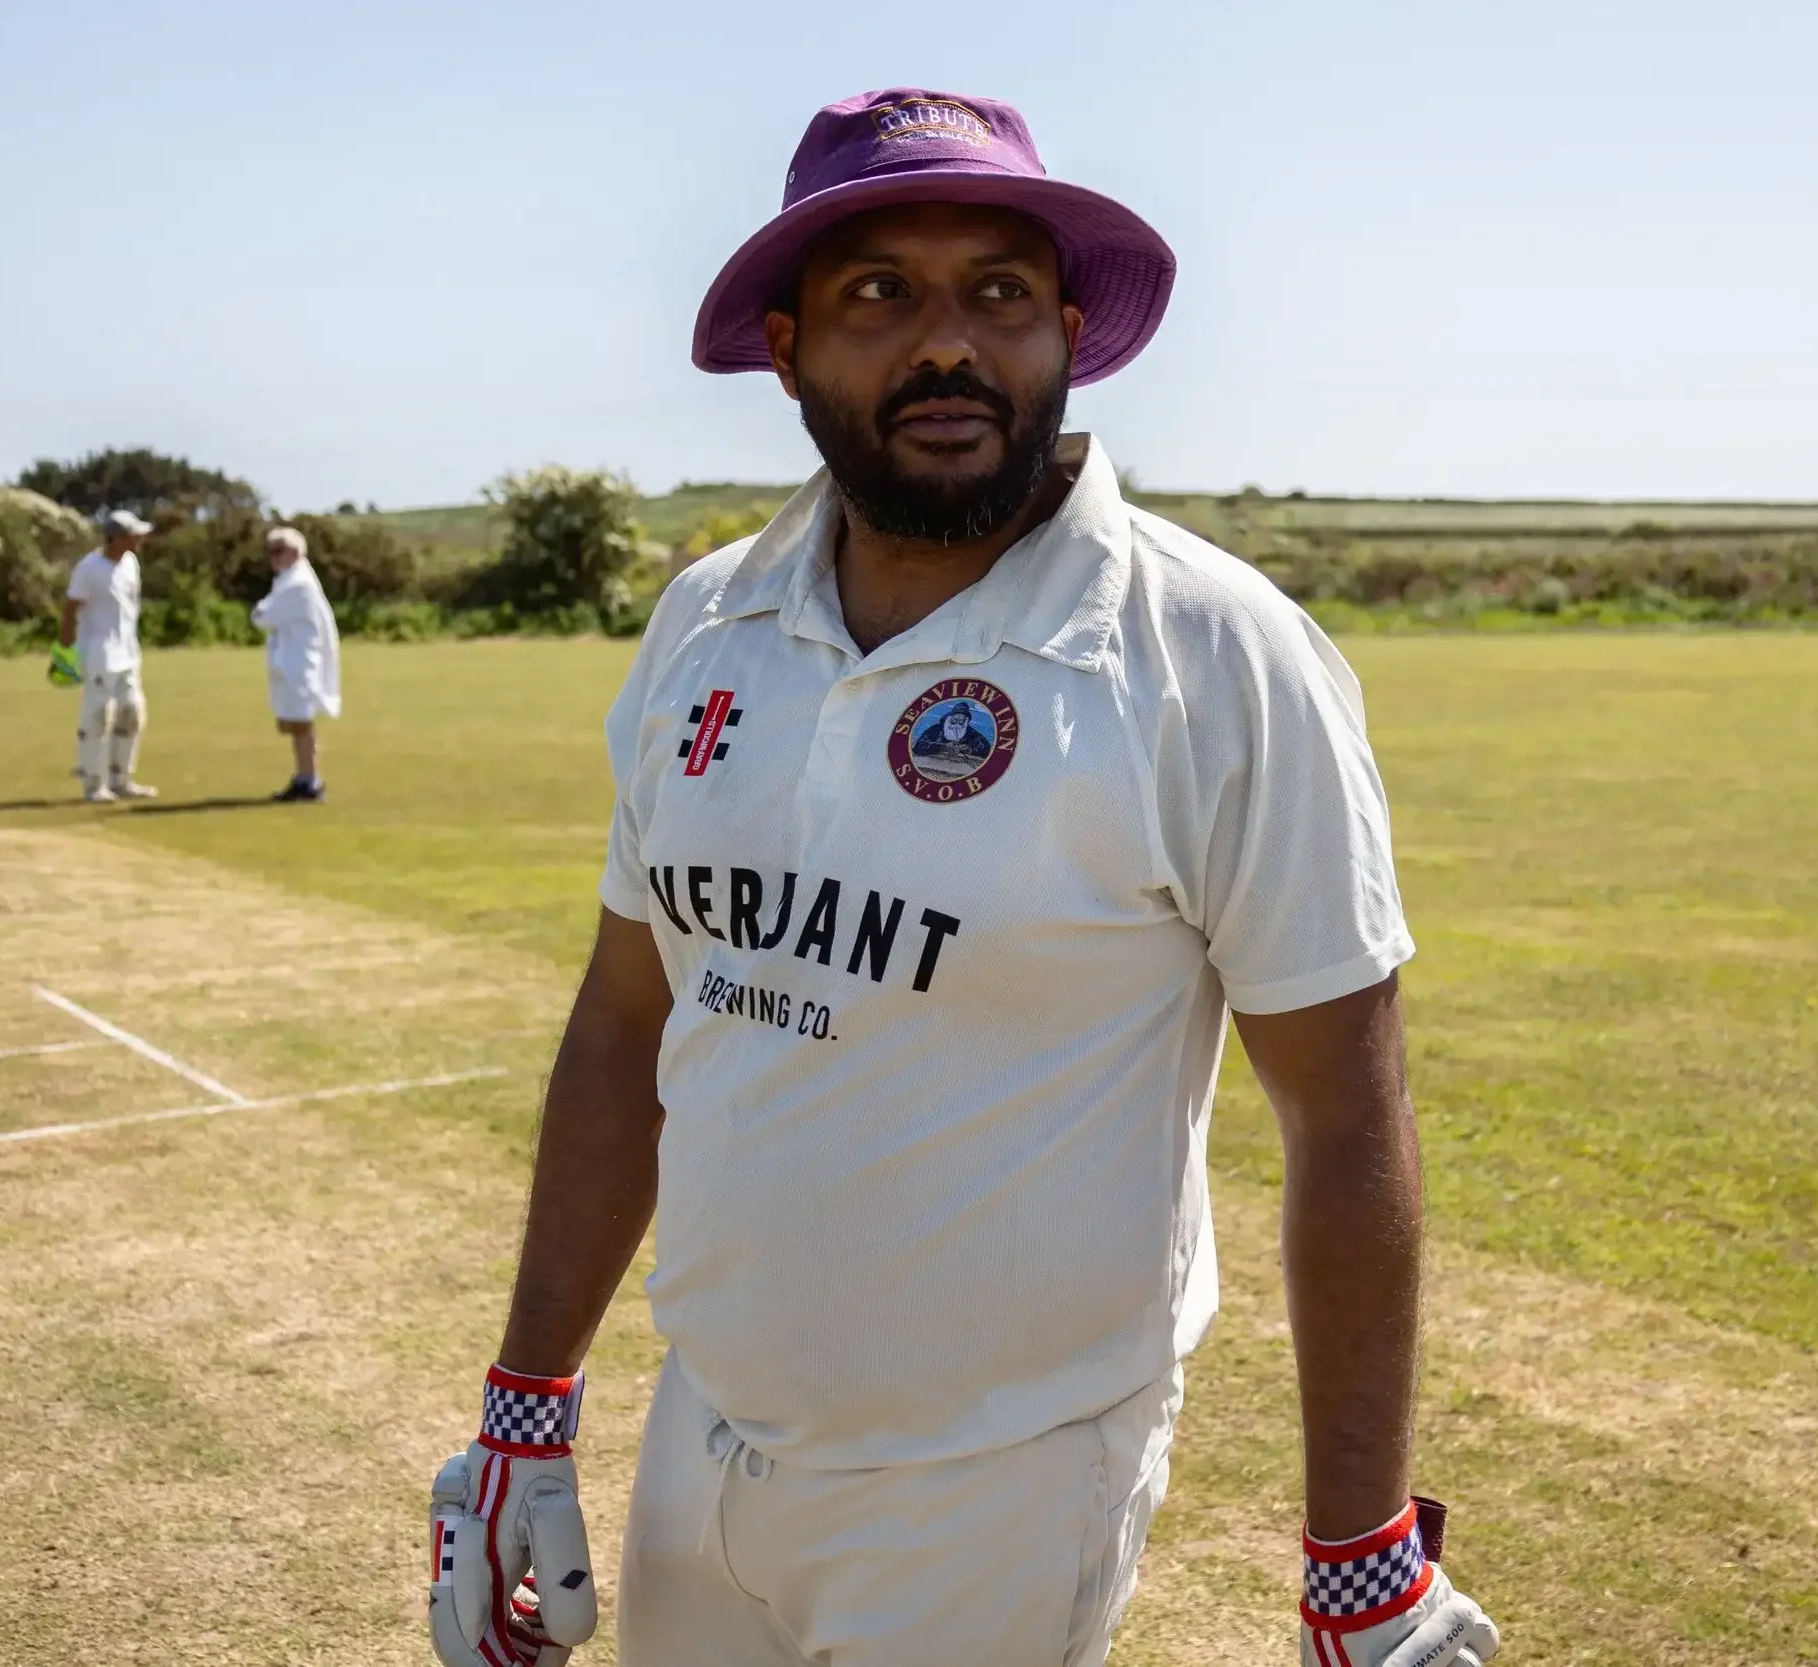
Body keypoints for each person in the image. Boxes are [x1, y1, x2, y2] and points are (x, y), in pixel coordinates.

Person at [426, 90, 1500, 1667]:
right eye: (882, 295)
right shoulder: (708, 624)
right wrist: (527, 1399)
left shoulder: (1211, 650)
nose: (950, 343)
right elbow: (628, 1017)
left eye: (997, 292)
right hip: (708, 1425)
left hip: (999, 1482)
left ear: (1066, 330)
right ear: (788, 347)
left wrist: (1362, 1555)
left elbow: (1346, 1112)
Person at [61, 509, 156, 803]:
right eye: (133, 534)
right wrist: (64, 654)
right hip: (98, 649)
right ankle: (94, 784)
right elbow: (70, 609)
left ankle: (122, 779)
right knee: (99, 714)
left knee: (132, 711)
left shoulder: (131, 563)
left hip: (128, 650)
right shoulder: (89, 568)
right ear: (115, 538)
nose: (140, 539)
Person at [250, 525, 341, 802]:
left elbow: (262, 617)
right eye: (270, 551)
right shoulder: (291, 579)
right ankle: (304, 777)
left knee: (301, 724)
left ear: (294, 552)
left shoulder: (297, 583)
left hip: (298, 662)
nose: (273, 557)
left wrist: (261, 610)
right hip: (292, 658)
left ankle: (309, 781)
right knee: (294, 724)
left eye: (278, 550)